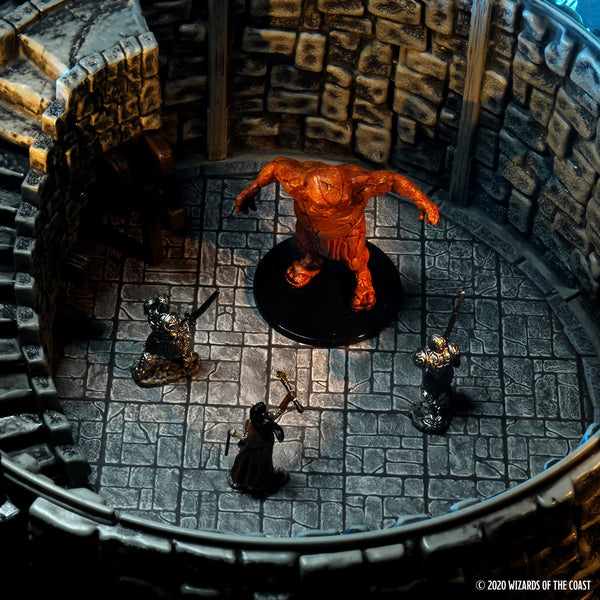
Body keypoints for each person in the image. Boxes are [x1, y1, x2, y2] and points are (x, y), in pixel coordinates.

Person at [235, 157, 439, 311]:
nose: (330, 213)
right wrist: (251, 189)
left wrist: (422, 200)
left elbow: (393, 180)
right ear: (304, 191)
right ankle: (313, 260)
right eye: (323, 208)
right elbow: (275, 166)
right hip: (307, 226)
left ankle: (363, 278)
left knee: (355, 259)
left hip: (349, 230)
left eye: (339, 205)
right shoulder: (296, 180)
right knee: (305, 243)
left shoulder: (361, 183)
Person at [228, 390, 297, 497]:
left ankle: (244, 481)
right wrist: (288, 398)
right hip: (262, 449)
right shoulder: (266, 418)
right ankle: (257, 483)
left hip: (255, 449)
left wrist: (235, 433)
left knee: (248, 464)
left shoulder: (250, 424)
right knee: (261, 466)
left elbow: (245, 437)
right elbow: (279, 410)